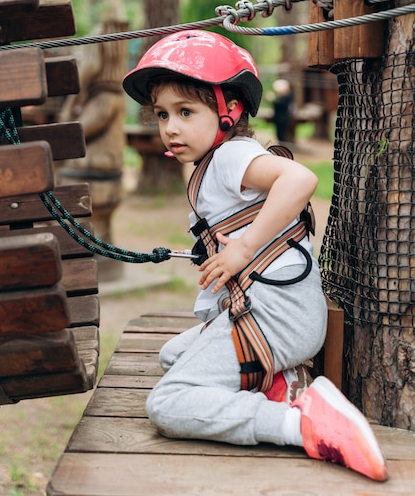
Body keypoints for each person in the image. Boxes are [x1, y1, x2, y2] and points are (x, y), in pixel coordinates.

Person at [122, 30, 388, 482]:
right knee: (173, 355)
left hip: (276, 316)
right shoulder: (214, 164)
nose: (170, 126)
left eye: (186, 112)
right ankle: (281, 386)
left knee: (167, 403)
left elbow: (300, 179)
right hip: (273, 313)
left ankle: (301, 423)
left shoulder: (230, 157)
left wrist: (244, 248)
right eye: (163, 114)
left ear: (231, 111)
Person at [272, 78, 294, 143]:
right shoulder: (282, 97)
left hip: (283, 118)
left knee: (282, 134)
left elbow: (279, 104)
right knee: (279, 133)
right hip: (279, 118)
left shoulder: (287, 97)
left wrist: (272, 100)